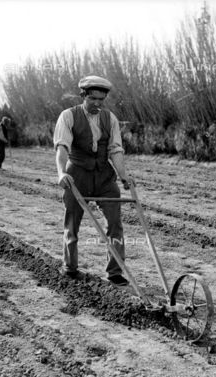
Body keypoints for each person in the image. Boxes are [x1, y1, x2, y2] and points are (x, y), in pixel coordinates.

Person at [53, 75, 134, 285]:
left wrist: (123, 176)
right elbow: (62, 147)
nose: (97, 103)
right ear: (83, 96)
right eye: (93, 99)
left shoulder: (110, 119)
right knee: (72, 222)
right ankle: (70, 267)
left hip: (104, 177)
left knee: (115, 223)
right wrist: (62, 172)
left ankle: (115, 272)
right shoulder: (68, 116)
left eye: (101, 99)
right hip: (77, 175)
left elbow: (115, 149)